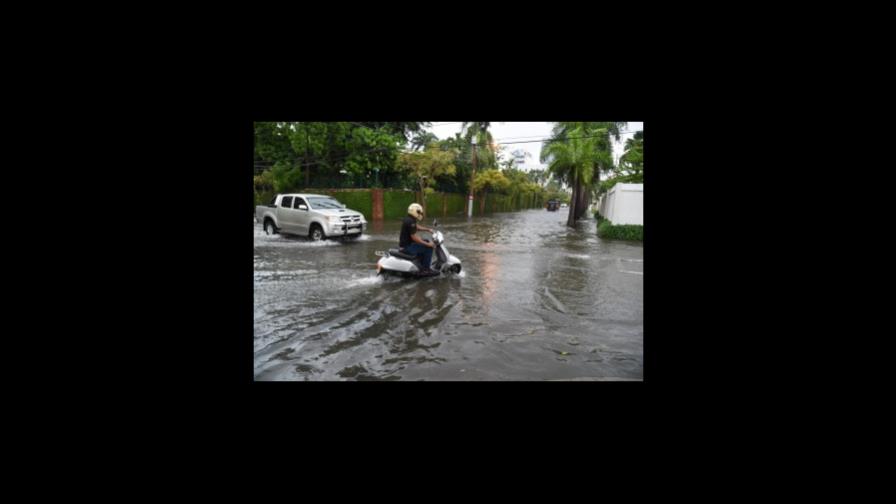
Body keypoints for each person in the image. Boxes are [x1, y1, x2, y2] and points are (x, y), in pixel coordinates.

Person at [400, 203, 435, 273]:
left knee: (426, 241)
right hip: (407, 247)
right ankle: (426, 269)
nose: (420, 214)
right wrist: (428, 244)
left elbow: (416, 227)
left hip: (405, 245)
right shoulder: (411, 222)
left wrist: (428, 229)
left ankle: (421, 264)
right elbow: (414, 238)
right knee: (428, 247)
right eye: (419, 212)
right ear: (415, 211)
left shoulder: (409, 219)